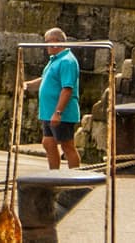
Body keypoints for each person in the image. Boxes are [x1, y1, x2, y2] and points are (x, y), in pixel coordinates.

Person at [25, 27, 81, 169]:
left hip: (61, 113)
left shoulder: (67, 61)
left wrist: (58, 112)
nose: (45, 47)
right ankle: (54, 174)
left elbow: (67, 88)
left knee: (67, 146)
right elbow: (45, 80)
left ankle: (75, 177)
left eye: (47, 43)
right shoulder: (54, 60)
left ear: (57, 42)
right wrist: (27, 85)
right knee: (48, 143)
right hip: (48, 111)